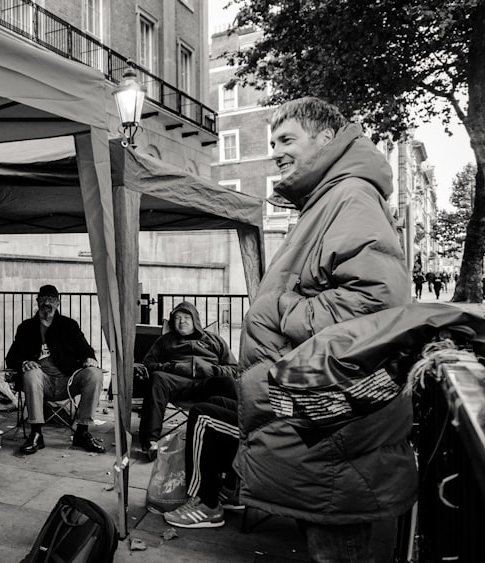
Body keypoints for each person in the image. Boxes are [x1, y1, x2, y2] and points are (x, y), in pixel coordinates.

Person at [237, 97, 413, 562]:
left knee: (336, 548)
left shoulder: (349, 195)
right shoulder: (328, 199)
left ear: (327, 138)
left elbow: (376, 301)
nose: (275, 150)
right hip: (320, 427)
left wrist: (278, 309)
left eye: (287, 139)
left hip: (334, 433)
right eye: (273, 141)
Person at [5, 284, 106, 455]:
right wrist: (24, 362)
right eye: (43, 299)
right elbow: (11, 358)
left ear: (58, 303)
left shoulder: (69, 325)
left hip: (68, 381)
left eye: (51, 300)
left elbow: (86, 349)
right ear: (37, 302)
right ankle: (36, 433)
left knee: (94, 374)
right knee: (31, 373)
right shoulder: (26, 328)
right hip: (41, 383)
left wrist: (90, 358)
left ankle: (82, 431)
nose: (47, 303)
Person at [133, 302, 238, 460]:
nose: (182, 321)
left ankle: (239, 433)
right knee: (157, 379)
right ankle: (150, 442)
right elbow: (148, 365)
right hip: (177, 382)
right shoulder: (165, 340)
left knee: (228, 383)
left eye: (186, 317)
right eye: (177, 318)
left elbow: (235, 369)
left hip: (207, 383)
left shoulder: (214, 340)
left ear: (195, 319)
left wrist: (213, 370)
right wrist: (173, 367)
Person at [160, 396, 241, 529]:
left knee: (201, 416)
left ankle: (206, 501)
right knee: (216, 402)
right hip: (272, 417)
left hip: (272, 427)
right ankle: (228, 488)